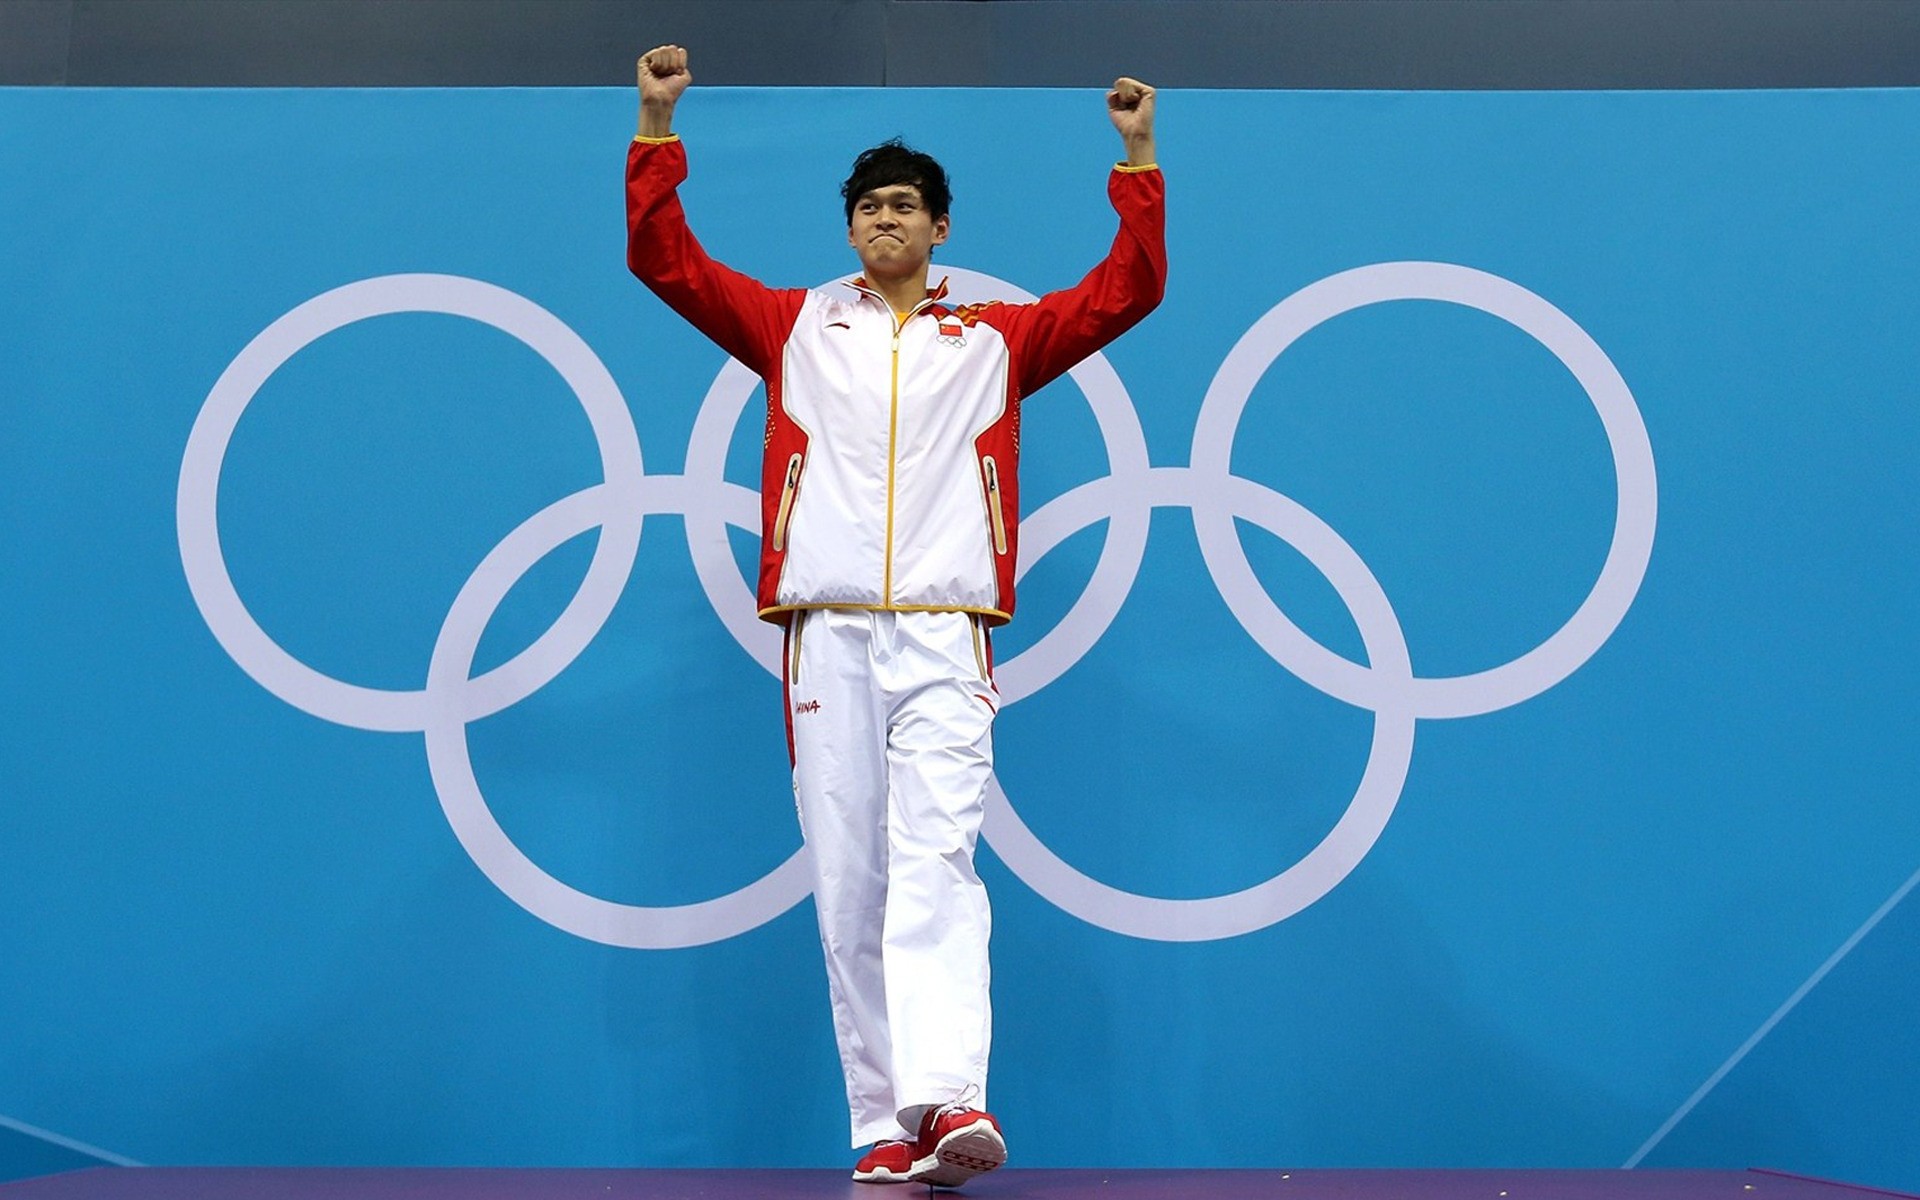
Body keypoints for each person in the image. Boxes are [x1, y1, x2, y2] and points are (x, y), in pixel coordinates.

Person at [624, 44, 1164, 1188]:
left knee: (937, 862)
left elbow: (1128, 291)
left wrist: (1137, 158)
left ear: (941, 228)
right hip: (826, 632)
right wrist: (656, 125)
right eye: (868, 207)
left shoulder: (997, 343)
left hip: (944, 628)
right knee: (851, 880)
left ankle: (951, 1101)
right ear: (849, 228)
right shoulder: (793, 327)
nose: (884, 220)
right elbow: (665, 264)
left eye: (905, 206)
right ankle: (881, 1124)